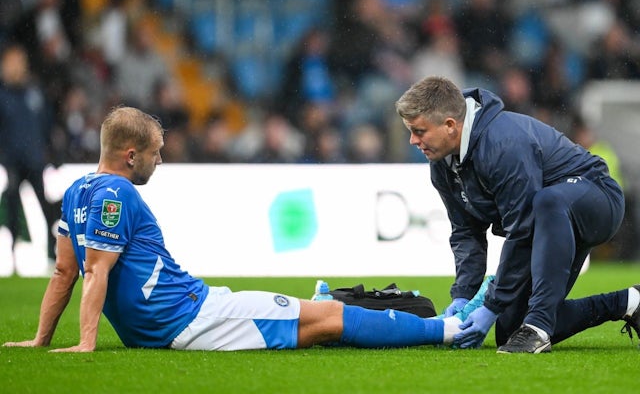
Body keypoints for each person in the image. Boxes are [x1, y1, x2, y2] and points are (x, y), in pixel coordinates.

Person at [3, 106, 469, 352]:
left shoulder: (78, 191)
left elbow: (65, 272)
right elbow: (94, 273)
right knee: (325, 323)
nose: (160, 161)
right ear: (131, 156)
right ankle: (448, 329)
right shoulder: (118, 195)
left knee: (314, 327)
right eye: (155, 153)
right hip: (194, 317)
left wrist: (42, 339)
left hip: (177, 321)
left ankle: (339, 300)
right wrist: (85, 343)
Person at [395, 76, 640, 354]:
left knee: (546, 202)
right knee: (510, 330)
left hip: (597, 197)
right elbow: (466, 232)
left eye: (419, 131)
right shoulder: (442, 164)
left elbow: (522, 229)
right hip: (548, 220)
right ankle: (629, 302)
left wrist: (490, 305)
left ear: (450, 125)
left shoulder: (502, 143)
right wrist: (463, 295)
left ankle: (538, 329)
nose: (413, 140)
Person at [0, 44, 57, 267]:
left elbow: (47, 124)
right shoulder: (3, 96)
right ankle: (12, 255)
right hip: (12, 161)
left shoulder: (35, 93)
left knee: (45, 207)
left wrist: (50, 153)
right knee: (12, 207)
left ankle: (52, 252)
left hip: (35, 161)